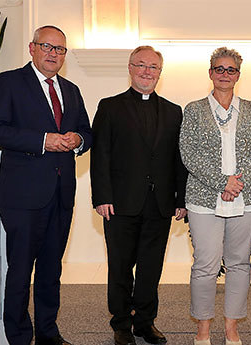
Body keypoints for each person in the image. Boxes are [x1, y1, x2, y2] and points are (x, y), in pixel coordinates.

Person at [0, 25, 92, 345]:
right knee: (20, 271)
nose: (53, 54)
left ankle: (48, 332)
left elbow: (88, 132)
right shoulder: (9, 82)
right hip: (22, 195)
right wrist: (43, 141)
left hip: (61, 194)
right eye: (47, 46)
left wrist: (78, 140)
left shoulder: (71, 90)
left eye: (59, 49)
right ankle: (18, 336)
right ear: (32, 48)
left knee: (50, 269)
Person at [90, 45, 187, 345]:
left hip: (159, 205)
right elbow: (100, 155)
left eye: (153, 67)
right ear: (130, 68)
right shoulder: (109, 106)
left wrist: (180, 200)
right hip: (119, 204)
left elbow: (178, 159)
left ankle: (145, 322)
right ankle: (121, 324)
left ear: (160, 72)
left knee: (150, 268)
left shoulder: (173, 111)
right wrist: (102, 196)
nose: (147, 71)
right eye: (141, 65)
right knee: (120, 267)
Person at [179, 47, 251, 345]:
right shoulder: (193, 109)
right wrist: (222, 182)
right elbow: (188, 152)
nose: (225, 74)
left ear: (238, 75)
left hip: (248, 197)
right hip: (204, 199)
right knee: (205, 265)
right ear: (210, 72)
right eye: (220, 69)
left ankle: (232, 327)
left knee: (239, 263)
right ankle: (202, 328)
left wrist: (237, 183)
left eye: (231, 70)